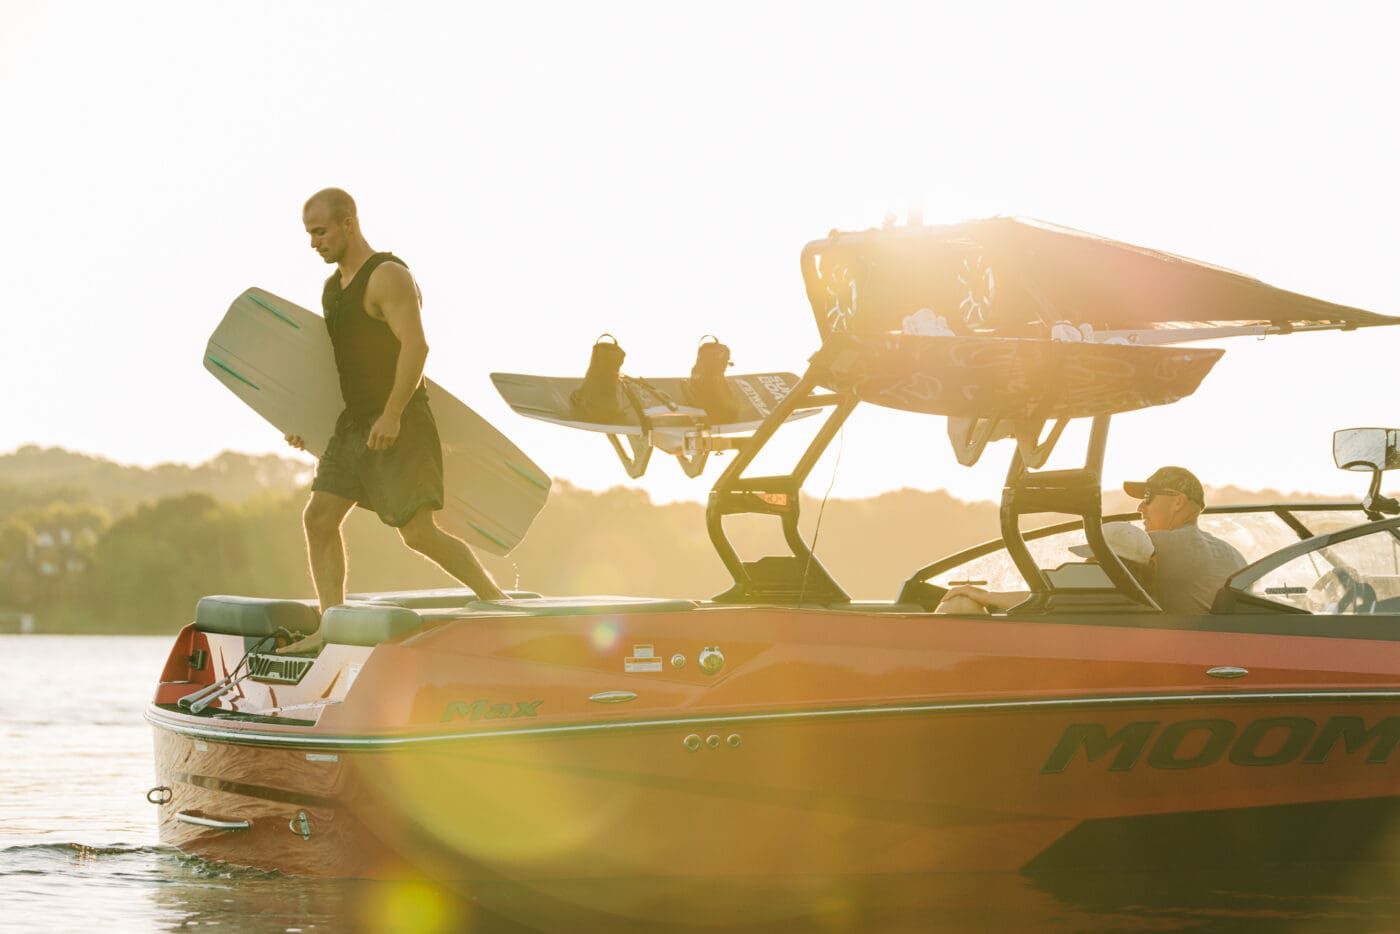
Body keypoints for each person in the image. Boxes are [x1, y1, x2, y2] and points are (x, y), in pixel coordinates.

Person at [280, 189, 506, 653]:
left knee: (418, 534)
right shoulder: (331, 290)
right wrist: (308, 424)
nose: (313, 243)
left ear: (348, 223)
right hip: (352, 425)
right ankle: (331, 626)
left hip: (398, 421)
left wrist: (393, 414)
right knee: (319, 519)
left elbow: (416, 347)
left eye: (319, 231)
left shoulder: (388, 276)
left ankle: (494, 597)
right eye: (308, 234)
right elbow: (339, 366)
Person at [935, 521, 1155, 615]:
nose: (1086, 564)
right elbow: (1049, 598)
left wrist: (983, 596)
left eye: (1092, 559)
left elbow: (1043, 600)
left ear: (1115, 565)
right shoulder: (1128, 598)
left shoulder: (1106, 597)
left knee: (961, 605)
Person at [1124, 465, 1245, 614]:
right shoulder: (1235, 556)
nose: (1140, 507)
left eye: (1148, 496)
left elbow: (1098, 558)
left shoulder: (1154, 545)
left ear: (1178, 502)